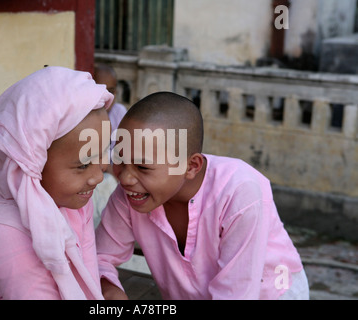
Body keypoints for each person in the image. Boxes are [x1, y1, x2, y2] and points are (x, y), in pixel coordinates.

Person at [96, 91, 309, 300]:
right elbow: (100, 257)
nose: (125, 178)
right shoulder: (131, 194)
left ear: (191, 166)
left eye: (143, 167)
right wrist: (110, 289)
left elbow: (236, 294)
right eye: (119, 160)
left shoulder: (239, 193)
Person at [0, 66, 113, 300]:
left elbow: (88, 276)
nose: (98, 177)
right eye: (82, 165)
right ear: (32, 164)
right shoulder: (6, 232)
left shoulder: (72, 198)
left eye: (102, 154)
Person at [92, 64, 128, 226]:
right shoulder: (84, 115)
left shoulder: (119, 113)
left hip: (115, 174)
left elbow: (125, 152)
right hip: (97, 174)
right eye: (101, 90)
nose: (107, 97)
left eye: (112, 91)